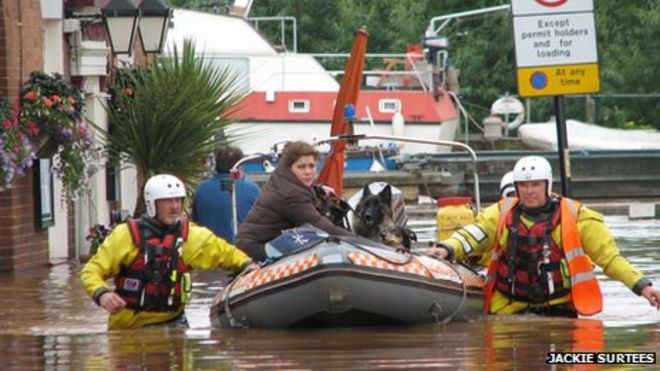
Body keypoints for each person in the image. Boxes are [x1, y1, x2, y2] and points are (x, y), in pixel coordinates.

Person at [428, 155, 660, 317]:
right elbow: (472, 235)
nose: (529, 191)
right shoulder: (500, 212)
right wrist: (447, 248)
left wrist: (642, 286)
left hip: (560, 309)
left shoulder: (578, 216)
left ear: (548, 185)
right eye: (524, 185)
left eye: (536, 185)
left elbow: (610, 259)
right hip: (508, 309)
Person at [80, 174, 255, 330]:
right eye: (167, 201)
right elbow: (91, 272)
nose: (174, 207)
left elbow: (226, 253)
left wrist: (247, 264)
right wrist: (102, 294)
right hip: (130, 325)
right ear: (151, 203)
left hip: (174, 321)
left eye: (178, 200)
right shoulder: (124, 236)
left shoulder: (193, 236)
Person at [235, 141, 354, 261]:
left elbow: (297, 190)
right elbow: (323, 227)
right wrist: (363, 243)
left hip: (252, 243)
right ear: (289, 168)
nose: (308, 172)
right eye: (301, 167)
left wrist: (317, 189)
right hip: (257, 251)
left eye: (311, 166)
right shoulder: (291, 195)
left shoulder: (281, 178)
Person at [192, 145, 261, 242]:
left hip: (210, 251)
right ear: (240, 165)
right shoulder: (252, 189)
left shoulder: (201, 190)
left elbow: (195, 223)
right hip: (241, 253)